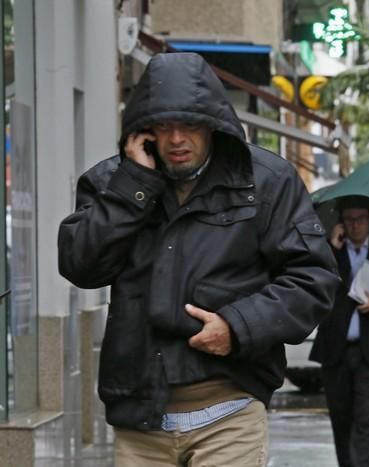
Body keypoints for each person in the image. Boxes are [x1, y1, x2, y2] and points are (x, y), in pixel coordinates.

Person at [58, 52, 339, 466]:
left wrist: (237, 326)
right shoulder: (112, 182)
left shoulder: (266, 181)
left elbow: (313, 279)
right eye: (163, 126)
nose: (176, 140)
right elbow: (80, 265)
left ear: (212, 125)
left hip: (230, 412)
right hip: (141, 421)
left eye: (189, 125)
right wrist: (135, 186)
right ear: (143, 129)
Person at [309, 196, 369, 467]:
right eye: (349, 219)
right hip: (334, 349)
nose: (355, 225)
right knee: (341, 419)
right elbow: (314, 288)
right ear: (341, 221)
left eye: (360, 218)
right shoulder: (330, 253)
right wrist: (330, 249)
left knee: (365, 419)